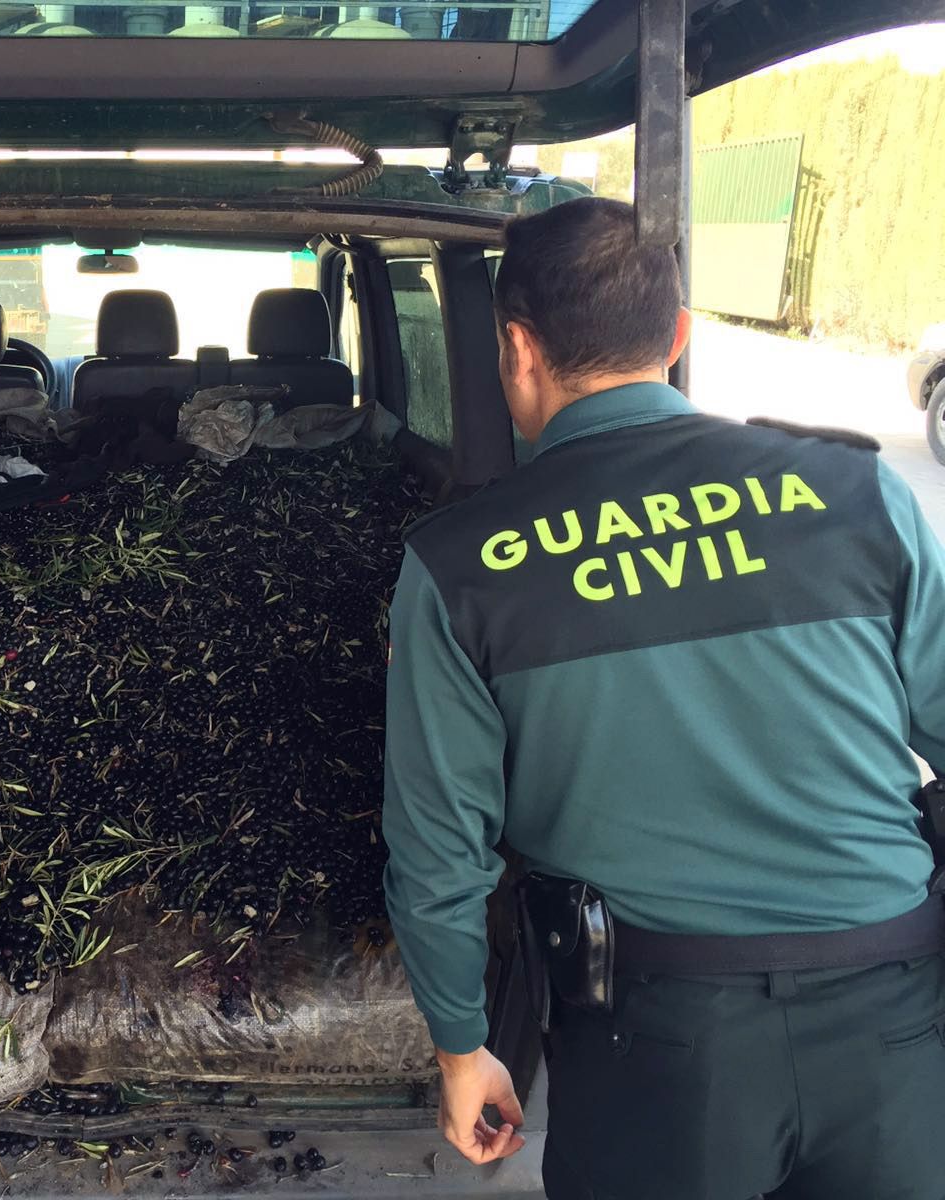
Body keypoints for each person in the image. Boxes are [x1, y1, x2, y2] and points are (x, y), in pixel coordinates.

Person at [381, 196, 945, 1199]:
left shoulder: (463, 564)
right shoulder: (858, 493)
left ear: (517, 350)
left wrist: (463, 1051)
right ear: (678, 335)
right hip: (900, 1015)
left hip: (661, 1045)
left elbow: (437, 850)